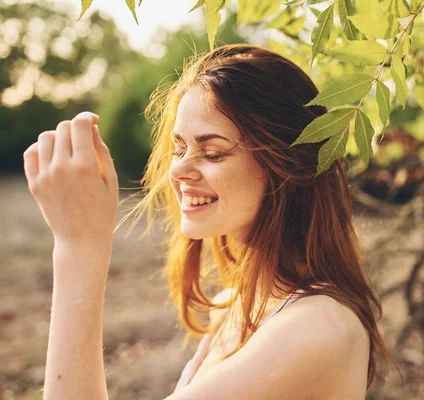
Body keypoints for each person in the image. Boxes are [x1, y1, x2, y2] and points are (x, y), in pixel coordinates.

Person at [23, 44, 399, 400]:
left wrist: (78, 249)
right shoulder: (235, 303)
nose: (180, 171)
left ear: (284, 166)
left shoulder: (318, 327)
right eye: (179, 147)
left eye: (213, 152)